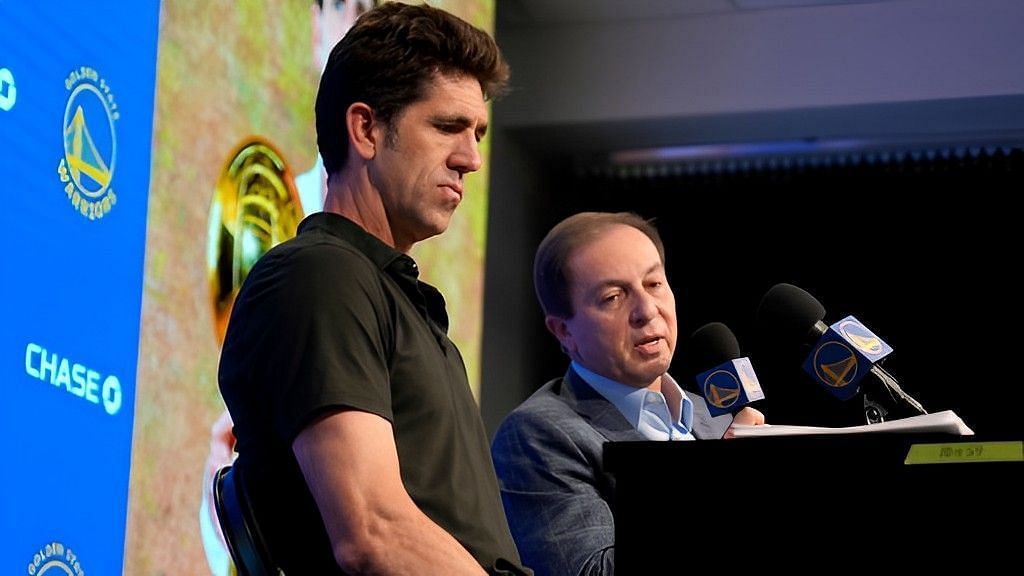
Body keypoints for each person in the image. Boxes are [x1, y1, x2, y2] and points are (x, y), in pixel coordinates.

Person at [217, 3, 529, 574]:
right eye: (447, 127)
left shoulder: (397, 300)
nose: (471, 160)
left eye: (478, 133)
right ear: (365, 128)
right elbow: (373, 532)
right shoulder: (321, 277)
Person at [490, 211, 765, 576]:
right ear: (563, 331)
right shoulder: (538, 435)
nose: (647, 311)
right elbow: (594, 572)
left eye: (654, 284)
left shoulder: (713, 417)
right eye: (614, 297)